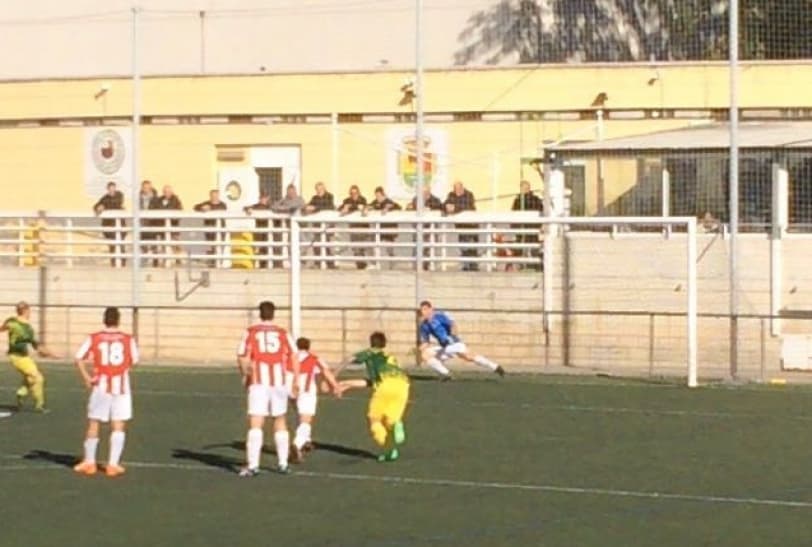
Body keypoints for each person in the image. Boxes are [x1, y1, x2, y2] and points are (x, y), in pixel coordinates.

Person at [72, 307, 139, 478]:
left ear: (104, 320)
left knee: (94, 422)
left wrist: (87, 377)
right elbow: (134, 360)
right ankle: (113, 465)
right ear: (118, 320)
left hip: (101, 385)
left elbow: (78, 358)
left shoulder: (94, 337)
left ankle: (89, 462)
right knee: (118, 423)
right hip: (122, 386)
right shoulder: (127, 339)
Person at [236, 301, 300, 477]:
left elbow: (242, 356)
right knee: (280, 420)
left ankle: (253, 465)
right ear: (273, 314)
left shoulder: (251, 332)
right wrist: (295, 379)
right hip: (279, 381)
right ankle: (283, 464)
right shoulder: (283, 333)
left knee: (256, 421)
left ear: (260, 313)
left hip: (259, 382)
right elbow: (294, 356)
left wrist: (244, 374)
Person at [336, 331, 409, 462]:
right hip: (403, 386)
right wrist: (346, 384)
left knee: (374, 419)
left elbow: (349, 359)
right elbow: (372, 383)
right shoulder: (390, 357)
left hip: (386, 386)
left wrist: (333, 374)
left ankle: (387, 445)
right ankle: (391, 447)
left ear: (371, 343)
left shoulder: (371, 353)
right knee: (389, 420)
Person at [418, 300, 504, 380]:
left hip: (454, 344)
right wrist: (419, 349)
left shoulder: (439, 316)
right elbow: (426, 342)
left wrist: (451, 336)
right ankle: (446, 374)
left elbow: (452, 325)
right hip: (445, 347)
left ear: (431, 309)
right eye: (422, 310)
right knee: (425, 354)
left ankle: (495, 367)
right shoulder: (424, 326)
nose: (424, 312)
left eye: (426, 309)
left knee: (470, 357)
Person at [288, 337, 340, 464]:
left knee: (300, 414)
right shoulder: (314, 358)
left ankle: (306, 439)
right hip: (306, 390)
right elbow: (326, 371)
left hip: (289, 389)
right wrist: (335, 386)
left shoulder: (290, 357)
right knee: (306, 418)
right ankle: (297, 444)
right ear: (308, 347)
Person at [1, 302, 57, 412]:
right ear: (26, 311)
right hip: (17, 357)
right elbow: (38, 347)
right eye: (29, 311)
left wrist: (49, 354)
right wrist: (52, 355)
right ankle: (39, 405)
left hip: (23, 357)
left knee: (29, 377)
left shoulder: (14, 322)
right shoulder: (23, 327)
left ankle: (21, 393)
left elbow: (1, 328)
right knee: (38, 378)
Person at [444, 181, 479, 271]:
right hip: (460, 225)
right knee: (463, 245)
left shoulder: (469, 195)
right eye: (455, 189)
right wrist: (447, 207)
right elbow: (445, 204)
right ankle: (466, 264)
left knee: (471, 245)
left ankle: (473, 265)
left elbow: (467, 207)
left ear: (462, 188)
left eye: (458, 189)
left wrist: (455, 208)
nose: (457, 191)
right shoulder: (451, 195)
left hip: (471, 224)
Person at [407, 185, 444, 270]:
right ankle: (417, 266)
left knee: (428, 247)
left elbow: (440, 209)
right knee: (418, 247)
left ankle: (427, 266)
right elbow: (413, 208)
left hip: (431, 227)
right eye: (423, 192)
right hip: (419, 228)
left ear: (429, 191)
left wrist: (429, 209)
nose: (424, 194)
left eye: (426, 192)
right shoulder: (416, 199)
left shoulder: (436, 200)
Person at [270, 184, 306, 269]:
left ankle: (302, 261)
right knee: (289, 244)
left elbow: (300, 207)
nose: (291, 193)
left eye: (292, 191)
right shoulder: (284, 200)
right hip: (287, 226)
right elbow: (274, 207)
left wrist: (287, 208)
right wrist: (283, 208)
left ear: (295, 191)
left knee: (302, 243)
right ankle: (290, 262)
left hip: (300, 226)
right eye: (289, 192)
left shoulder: (299, 199)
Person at [511, 180, 543, 270]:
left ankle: (535, 265)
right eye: (522, 188)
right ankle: (522, 265)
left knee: (533, 247)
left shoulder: (535, 200)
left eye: (525, 188)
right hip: (521, 227)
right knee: (521, 247)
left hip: (531, 227)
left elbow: (540, 211)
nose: (523, 190)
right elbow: (514, 213)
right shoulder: (518, 201)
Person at [303, 182, 336, 268]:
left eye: (320, 189)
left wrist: (315, 208)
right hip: (317, 225)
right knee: (317, 243)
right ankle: (318, 263)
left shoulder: (329, 196)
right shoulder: (315, 198)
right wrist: (307, 208)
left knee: (328, 243)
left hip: (328, 224)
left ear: (324, 188)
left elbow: (328, 206)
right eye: (317, 189)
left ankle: (330, 263)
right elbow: (309, 206)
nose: (319, 191)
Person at [149, 185, 183, 267]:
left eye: (168, 192)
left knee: (176, 244)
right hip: (161, 225)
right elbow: (154, 209)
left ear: (171, 192)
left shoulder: (176, 200)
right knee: (161, 244)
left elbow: (179, 211)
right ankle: (159, 260)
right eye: (165, 192)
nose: (166, 193)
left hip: (173, 226)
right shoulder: (159, 200)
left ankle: (178, 259)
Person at [93, 181, 125, 267]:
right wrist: (98, 207)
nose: (111, 191)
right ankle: (113, 263)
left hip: (120, 224)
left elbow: (117, 203)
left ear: (115, 188)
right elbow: (96, 206)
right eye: (110, 189)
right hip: (109, 225)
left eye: (113, 189)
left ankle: (122, 264)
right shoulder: (104, 198)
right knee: (112, 245)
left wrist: (104, 206)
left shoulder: (119, 195)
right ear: (107, 189)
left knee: (121, 245)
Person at [368, 186, 402, 267]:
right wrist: (367, 208)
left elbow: (397, 207)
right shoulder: (375, 202)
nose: (378, 198)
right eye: (376, 196)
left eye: (379, 196)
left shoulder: (388, 201)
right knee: (372, 243)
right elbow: (369, 206)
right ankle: (375, 263)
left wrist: (387, 207)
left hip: (389, 228)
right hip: (379, 228)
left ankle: (392, 262)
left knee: (389, 247)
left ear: (383, 195)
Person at [193, 189, 227, 266]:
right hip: (209, 230)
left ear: (218, 196)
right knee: (210, 248)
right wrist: (202, 208)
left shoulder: (223, 205)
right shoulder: (206, 203)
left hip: (220, 230)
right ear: (210, 196)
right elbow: (195, 207)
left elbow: (223, 210)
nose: (214, 197)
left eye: (216, 195)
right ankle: (211, 264)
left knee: (219, 247)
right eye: (213, 196)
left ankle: (218, 264)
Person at [339, 185, 369, 269]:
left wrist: (350, 208)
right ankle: (360, 264)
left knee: (361, 246)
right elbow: (341, 208)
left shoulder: (362, 199)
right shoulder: (347, 200)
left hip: (362, 226)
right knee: (355, 246)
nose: (354, 195)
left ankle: (361, 263)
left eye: (355, 193)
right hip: (353, 226)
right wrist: (345, 209)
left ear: (358, 193)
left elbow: (363, 207)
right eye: (352, 193)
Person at [244, 193, 271, 269]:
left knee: (265, 248)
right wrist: (248, 209)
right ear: (260, 199)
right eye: (262, 198)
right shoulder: (256, 206)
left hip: (267, 228)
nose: (263, 200)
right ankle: (254, 263)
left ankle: (264, 265)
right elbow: (245, 208)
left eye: (265, 198)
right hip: (258, 228)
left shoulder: (269, 207)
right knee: (257, 247)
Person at [138, 180, 158, 265]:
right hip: (142, 223)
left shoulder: (156, 198)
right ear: (142, 188)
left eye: (148, 187)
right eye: (144, 187)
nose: (146, 189)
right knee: (142, 243)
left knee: (154, 243)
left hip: (153, 222)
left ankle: (155, 261)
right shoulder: (139, 198)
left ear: (151, 188)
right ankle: (144, 260)